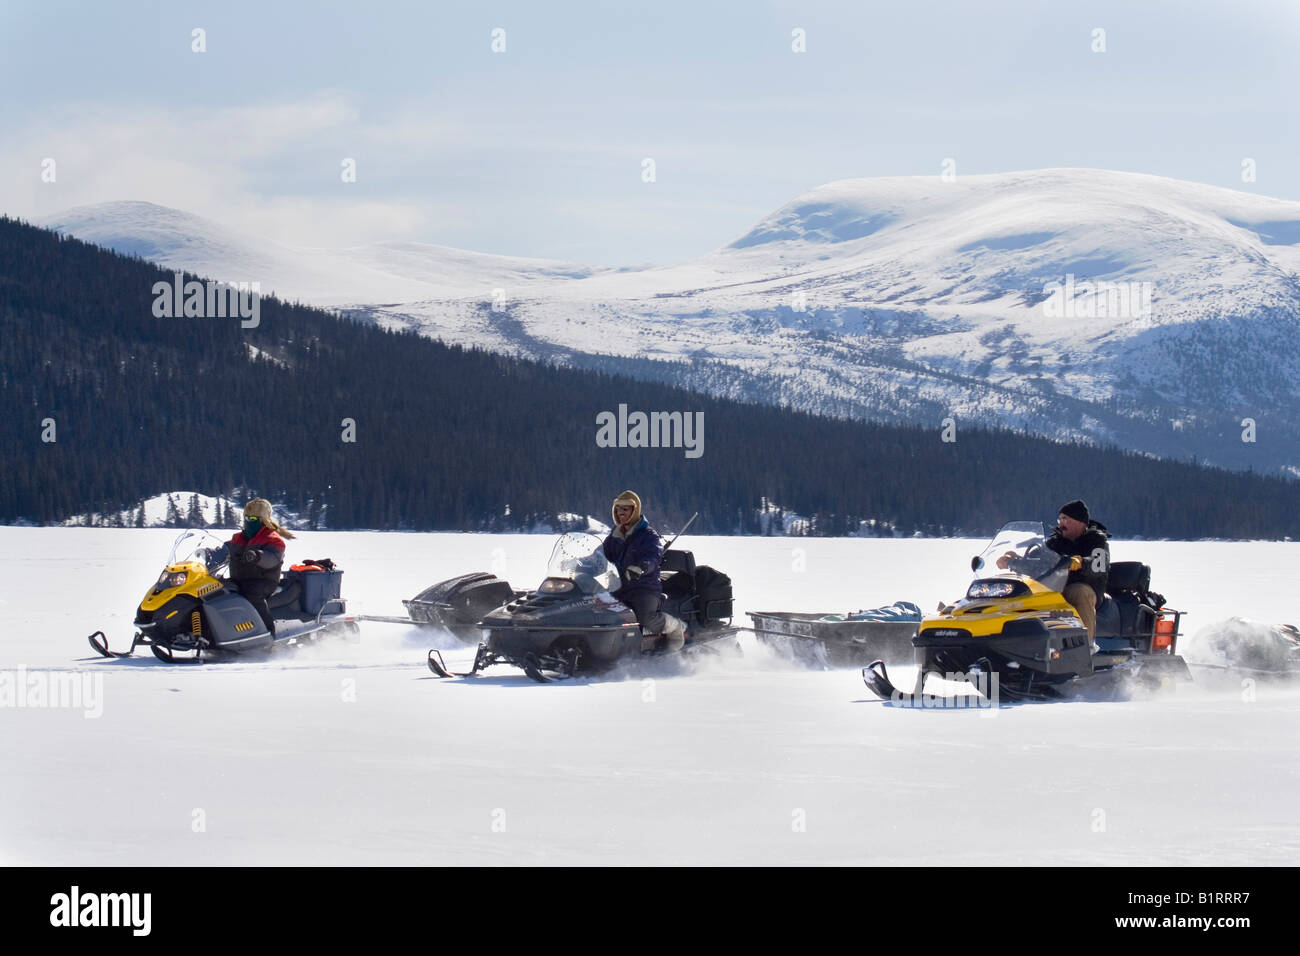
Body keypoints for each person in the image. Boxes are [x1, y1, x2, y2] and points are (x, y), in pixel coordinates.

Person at [1000, 499, 1109, 639]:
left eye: (1065, 519)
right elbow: (1039, 560)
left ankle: (1087, 644)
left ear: (1079, 521)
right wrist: (1016, 561)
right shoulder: (1055, 543)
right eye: (1060, 519)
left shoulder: (1096, 540)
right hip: (1056, 586)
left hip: (1087, 587)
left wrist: (1081, 562)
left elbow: (1099, 564)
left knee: (1079, 592)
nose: (1061, 523)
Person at [602, 490, 688, 652]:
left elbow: (653, 556)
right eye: (618, 509)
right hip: (618, 586)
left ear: (635, 510)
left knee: (645, 618)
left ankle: (676, 627)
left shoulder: (648, 535)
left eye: (626, 509)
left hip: (643, 587)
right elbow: (602, 553)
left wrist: (642, 567)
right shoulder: (615, 535)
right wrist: (582, 562)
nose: (621, 513)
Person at [209, 498, 295, 635]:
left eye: (253, 518)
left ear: (263, 520)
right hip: (239, 579)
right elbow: (226, 550)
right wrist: (212, 553)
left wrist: (258, 556)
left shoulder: (273, 539)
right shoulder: (238, 538)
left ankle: (267, 632)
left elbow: (272, 558)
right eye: (246, 518)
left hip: (264, 581)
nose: (249, 521)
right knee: (215, 590)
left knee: (252, 594)